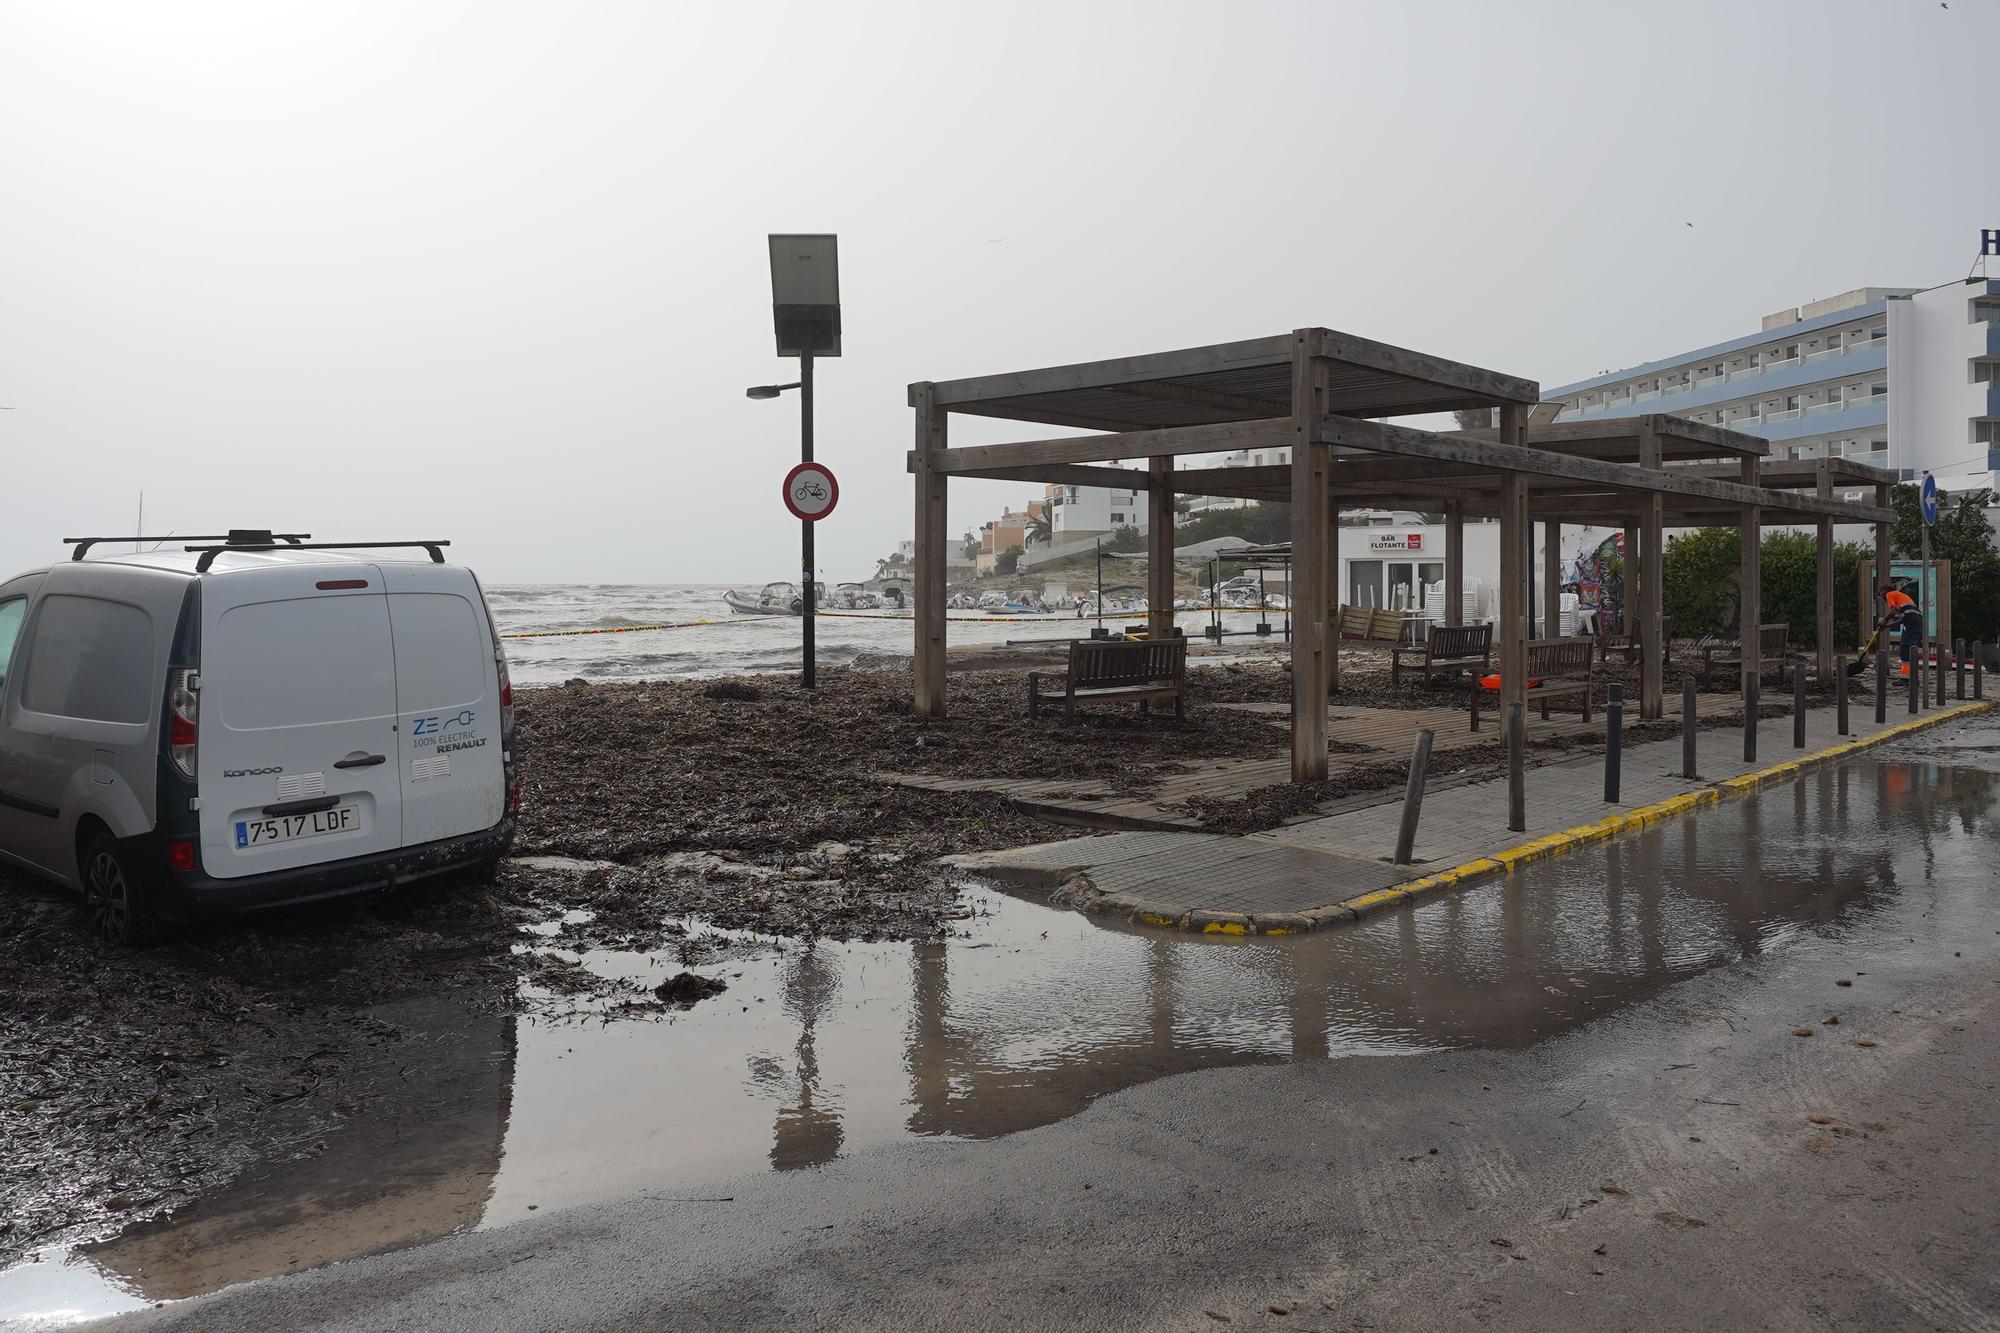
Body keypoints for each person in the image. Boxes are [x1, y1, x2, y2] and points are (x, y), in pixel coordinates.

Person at [1881, 584, 1922, 670]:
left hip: (1912, 624)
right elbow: (1905, 619)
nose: (1882, 596)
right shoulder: (1901, 597)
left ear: (1885, 591)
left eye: (1881, 593)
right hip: (1916, 623)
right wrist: (1887, 626)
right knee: (1910, 649)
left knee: (1906, 650)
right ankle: (1911, 677)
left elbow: (1893, 611)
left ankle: (1908, 677)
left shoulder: (1890, 594)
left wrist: (1885, 619)